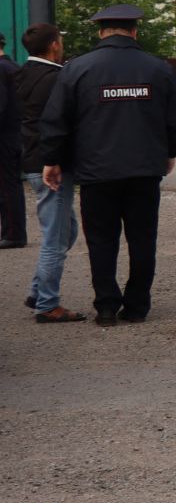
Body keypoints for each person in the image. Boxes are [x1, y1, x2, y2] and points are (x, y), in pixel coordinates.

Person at [36, 5, 176, 326]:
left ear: (101, 32)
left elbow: (56, 120)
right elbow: (175, 120)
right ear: (134, 31)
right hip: (145, 171)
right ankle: (137, 307)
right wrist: (170, 152)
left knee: (102, 241)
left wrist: (52, 159)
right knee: (142, 239)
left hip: (96, 172)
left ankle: (106, 307)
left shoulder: (77, 69)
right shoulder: (158, 69)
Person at [16, 24, 84, 321]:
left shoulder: (20, 74)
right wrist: (54, 159)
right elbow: (57, 124)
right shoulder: (56, 78)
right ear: (54, 46)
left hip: (31, 160)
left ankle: (37, 291)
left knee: (66, 231)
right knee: (55, 238)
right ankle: (47, 304)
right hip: (51, 165)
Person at [0, 33, 21, 248]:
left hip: (4, 136)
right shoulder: (13, 66)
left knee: (6, 187)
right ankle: (13, 232)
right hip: (15, 133)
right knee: (11, 184)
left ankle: (13, 234)